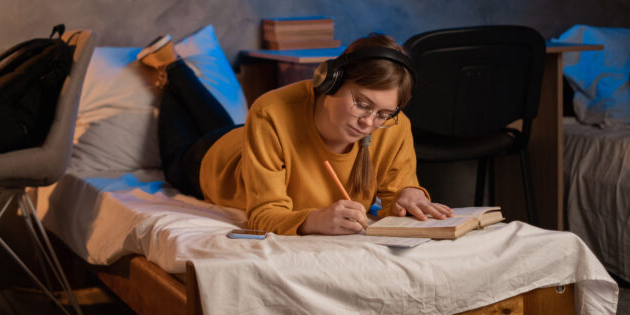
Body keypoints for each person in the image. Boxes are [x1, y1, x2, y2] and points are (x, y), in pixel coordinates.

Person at [137, 33, 453, 236]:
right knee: (178, 155)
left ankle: (174, 68)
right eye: (361, 104)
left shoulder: (393, 125)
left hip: (247, 136)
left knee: (218, 121)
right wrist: (313, 221)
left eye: (384, 114)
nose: (369, 123)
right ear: (329, 82)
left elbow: (395, 195)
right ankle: (170, 71)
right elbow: (263, 214)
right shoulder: (271, 111)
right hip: (215, 159)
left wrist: (410, 196)